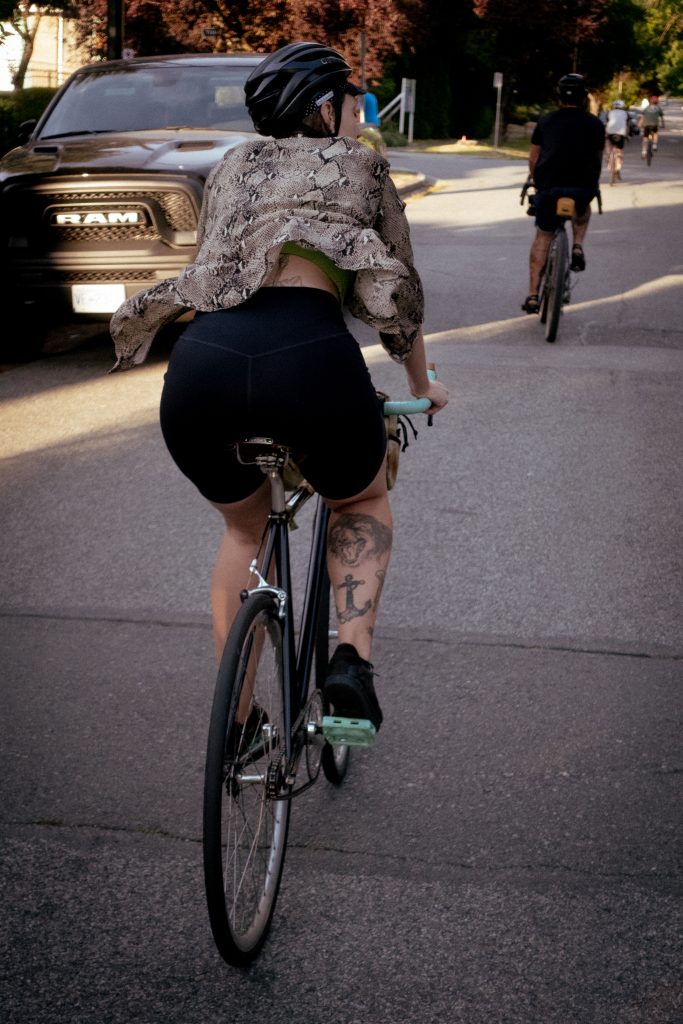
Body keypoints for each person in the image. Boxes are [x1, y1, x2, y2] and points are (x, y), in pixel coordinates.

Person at [109, 41, 448, 733]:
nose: (357, 114)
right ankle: (350, 661)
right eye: (352, 101)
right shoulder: (362, 165)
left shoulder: (232, 166)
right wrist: (425, 383)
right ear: (327, 107)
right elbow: (396, 295)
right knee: (360, 497)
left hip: (202, 365)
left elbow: (211, 269)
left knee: (244, 529)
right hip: (309, 361)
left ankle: (235, 723)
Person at [521, 73, 605, 315]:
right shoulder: (595, 124)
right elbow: (598, 158)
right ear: (583, 98)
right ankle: (577, 245)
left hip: (549, 188)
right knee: (582, 211)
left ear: (559, 97)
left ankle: (533, 295)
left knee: (543, 236)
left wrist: (537, 182)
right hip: (582, 188)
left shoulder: (546, 122)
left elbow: (534, 158)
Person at [605, 99, 629, 180]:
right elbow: (627, 125)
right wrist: (627, 135)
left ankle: (608, 156)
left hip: (610, 133)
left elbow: (607, 122)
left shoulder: (610, 112)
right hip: (620, 134)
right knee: (619, 150)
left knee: (608, 144)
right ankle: (618, 167)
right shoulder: (625, 113)